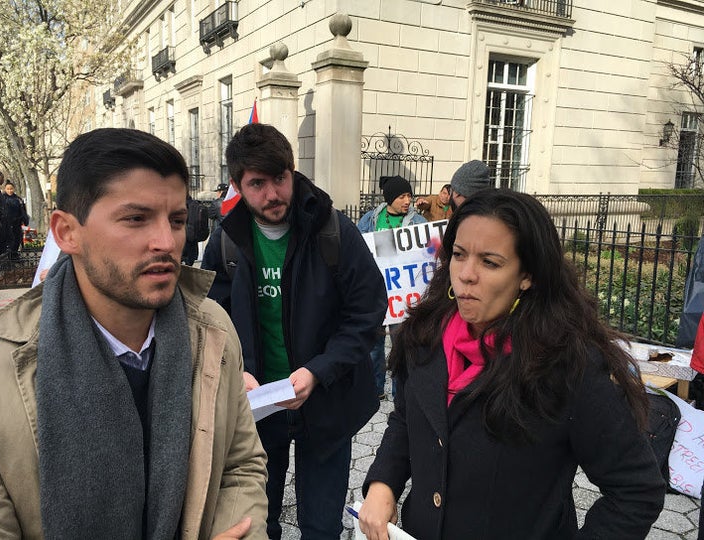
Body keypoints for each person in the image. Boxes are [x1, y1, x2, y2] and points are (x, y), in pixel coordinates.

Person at [0, 128, 268, 539]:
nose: (166, 242)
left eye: (177, 221)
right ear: (67, 233)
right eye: (135, 219)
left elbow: (239, 465)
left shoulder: (213, 330)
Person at [358, 189, 666, 540]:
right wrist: (383, 484)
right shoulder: (424, 333)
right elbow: (408, 418)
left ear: (527, 275)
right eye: (458, 255)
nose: (466, 275)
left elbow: (635, 490)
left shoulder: (568, 364)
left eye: (490, 262)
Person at [201, 123, 387, 539]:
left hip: (327, 402)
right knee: (255, 521)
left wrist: (319, 370)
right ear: (237, 185)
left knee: (321, 527)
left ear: (293, 171)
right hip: (257, 408)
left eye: (280, 178)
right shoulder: (226, 242)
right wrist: (238, 371)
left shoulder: (334, 230)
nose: (272, 194)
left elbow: (369, 311)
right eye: (257, 183)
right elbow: (209, 320)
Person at [357, 175, 427, 399]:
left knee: (401, 346)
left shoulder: (418, 223)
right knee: (374, 346)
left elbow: (430, 253)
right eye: (402, 196)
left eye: (409, 195)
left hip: (403, 297)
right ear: (389, 198)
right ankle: (375, 389)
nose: (408, 200)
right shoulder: (370, 219)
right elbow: (357, 248)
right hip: (376, 294)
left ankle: (400, 394)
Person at [2, 181, 29, 253]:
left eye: (11, 189)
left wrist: (24, 220)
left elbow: (23, 211)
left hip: (17, 222)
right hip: (6, 223)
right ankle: (9, 255)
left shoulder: (18, 199)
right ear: (5, 189)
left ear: (13, 189)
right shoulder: (2, 198)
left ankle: (14, 254)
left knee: (17, 239)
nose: (10, 191)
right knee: (8, 240)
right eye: (8, 189)